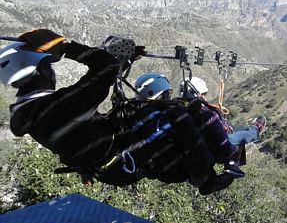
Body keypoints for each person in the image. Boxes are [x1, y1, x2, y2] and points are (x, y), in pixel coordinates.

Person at [0, 29, 233, 195]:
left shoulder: (26, 112)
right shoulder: (60, 106)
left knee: (159, 111)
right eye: (46, 66)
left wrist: (122, 63)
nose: (51, 72)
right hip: (124, 158)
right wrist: (68, 48)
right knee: (180, 110)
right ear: (38, 72)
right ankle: (205, 176)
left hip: (110, 165)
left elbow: (101, 82)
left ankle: (211, 165)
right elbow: (106, 68)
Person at [134, 73, 247, 178]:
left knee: (238, 131)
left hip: (160, 167)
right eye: (168, 93)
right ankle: (255, 130)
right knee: (243, 134)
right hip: (189, 165)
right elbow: (220, 144)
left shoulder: (139, 115)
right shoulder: (182, 113)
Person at [178, 76, 267, 145]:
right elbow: (227, 141)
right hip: (215, 143)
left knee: (238, 128)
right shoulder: (204, 114)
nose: (205, 97)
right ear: (199, 95)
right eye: (204, 94)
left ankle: (247, 129)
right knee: (240, 136)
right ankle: (255, 130)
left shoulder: (177, 109)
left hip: (199, 140)